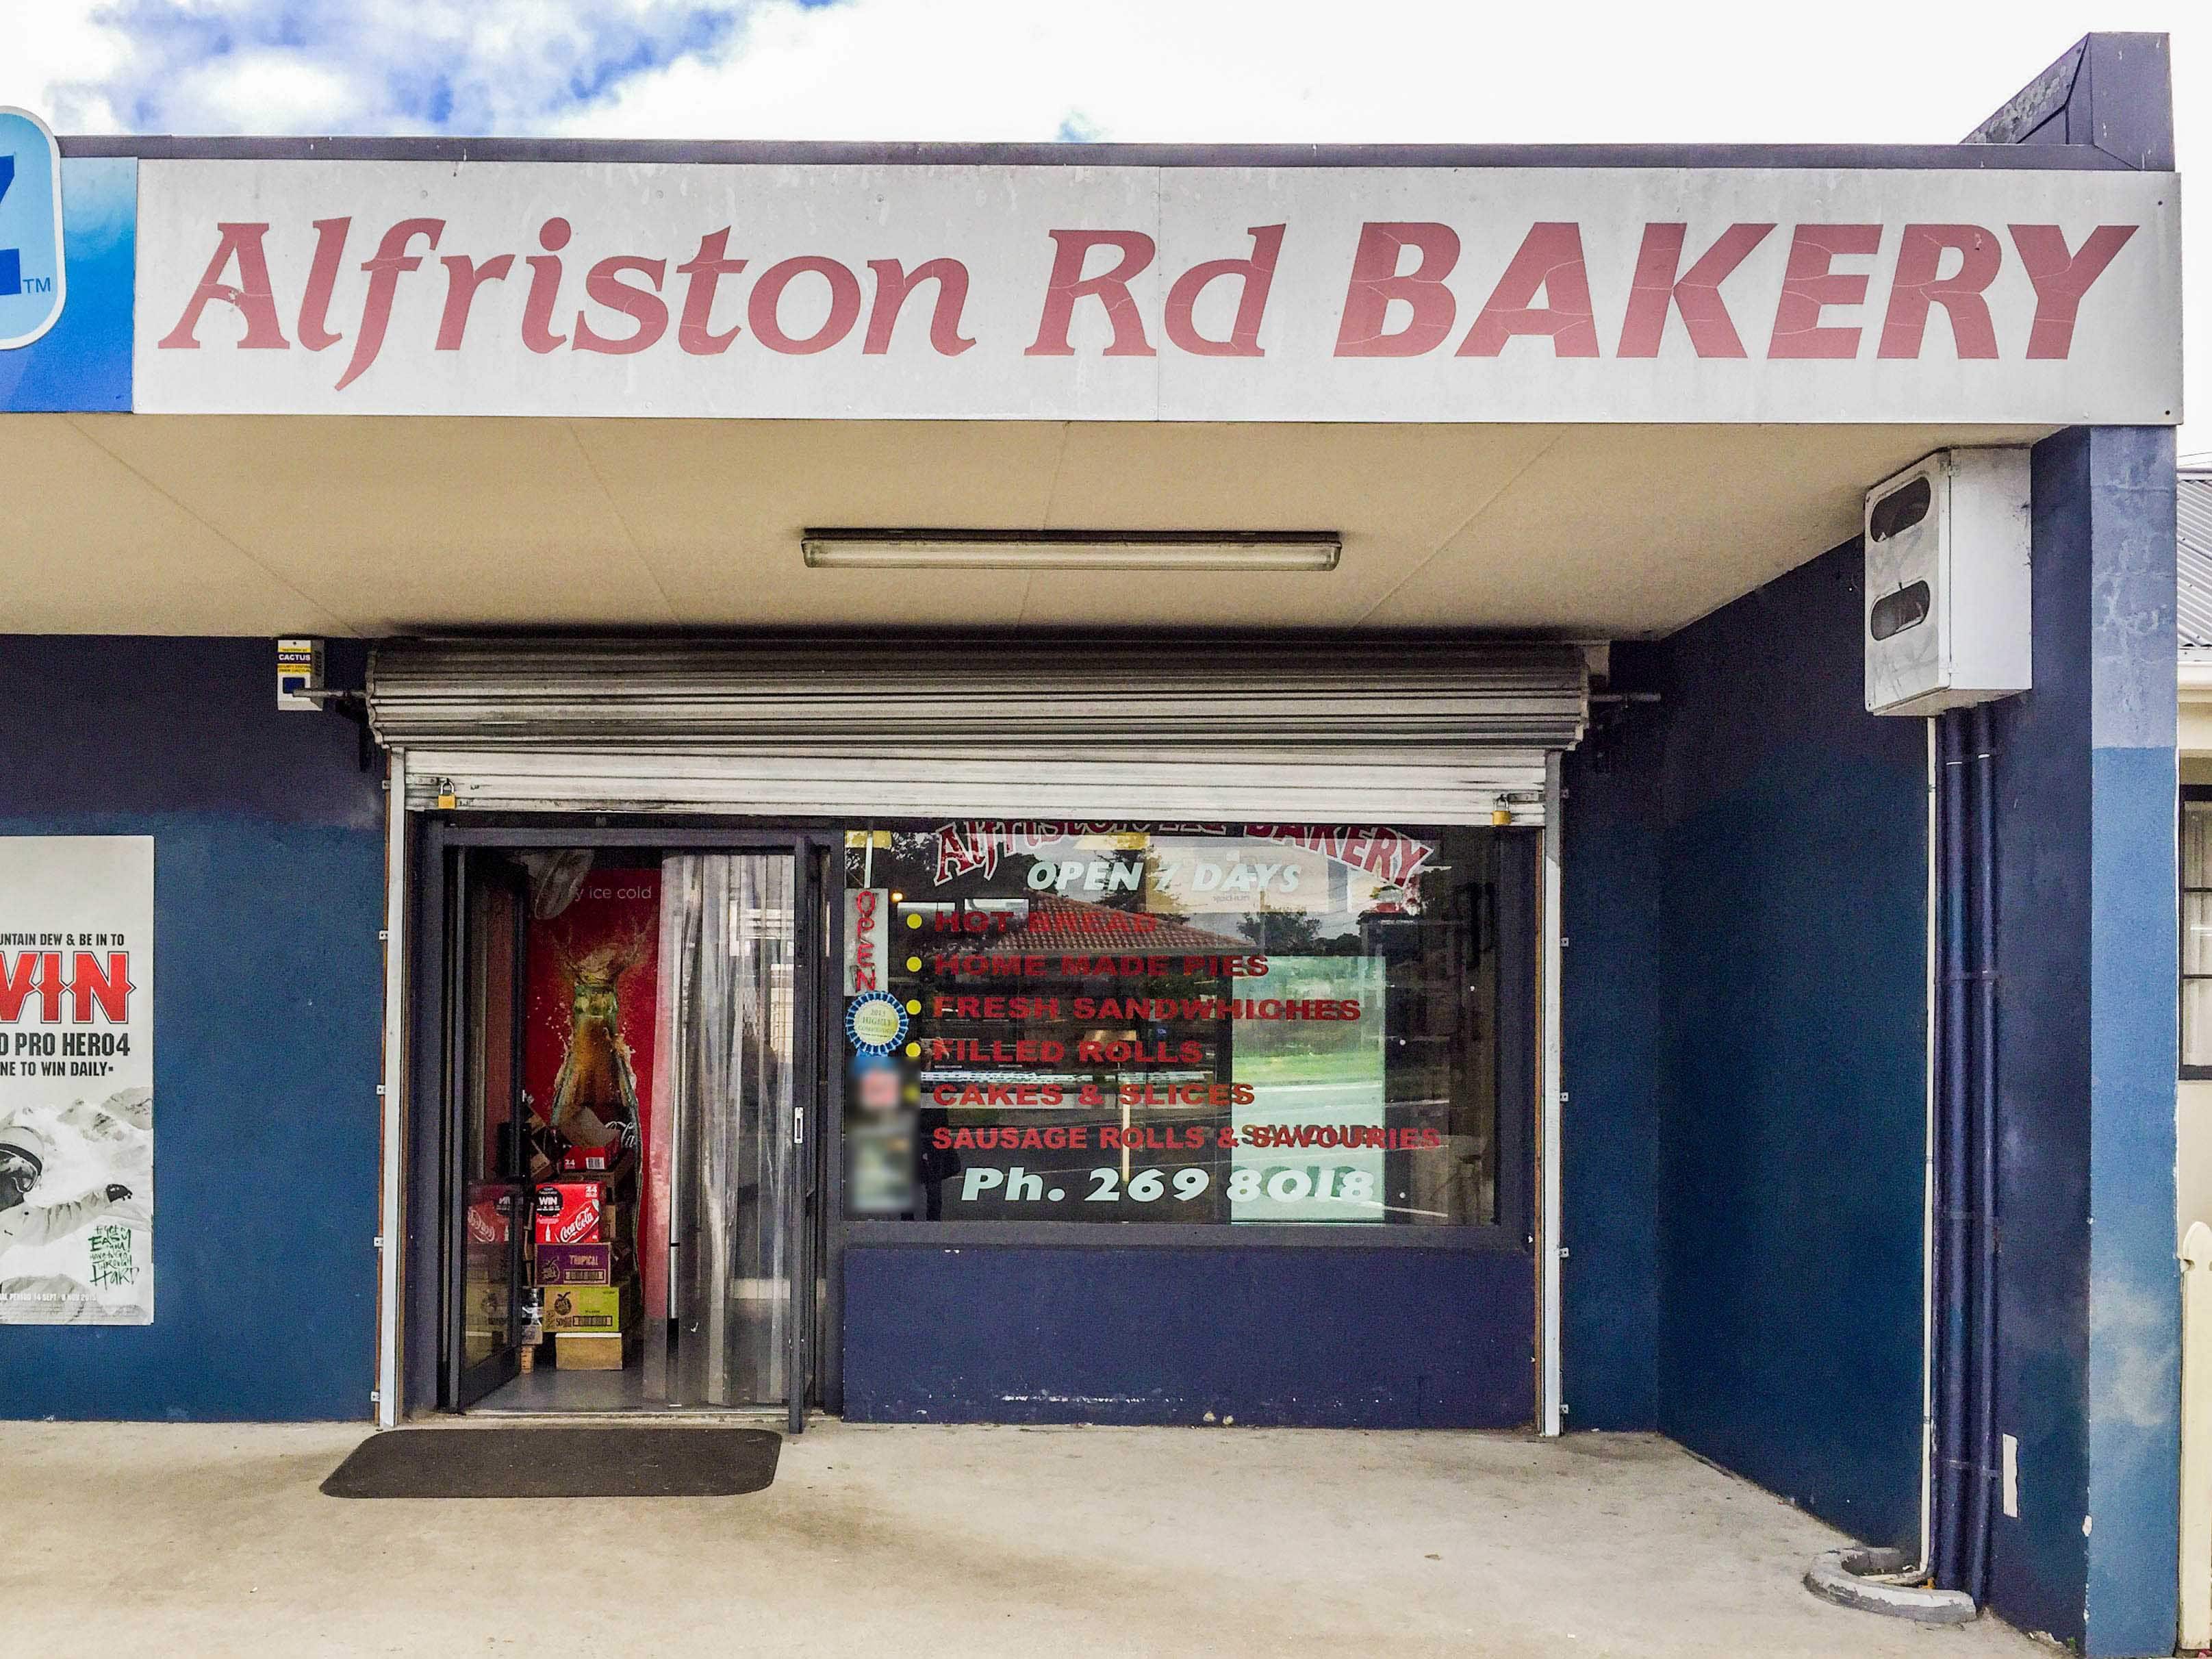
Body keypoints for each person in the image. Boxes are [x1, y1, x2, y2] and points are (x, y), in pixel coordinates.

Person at [0, 1121, 142, 1262]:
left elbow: (56, 1222)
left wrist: (101, 1200)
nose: (8, 1184)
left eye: (24, 1177)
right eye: (3, 1166)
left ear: (34, 1183)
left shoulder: (19, 1220)